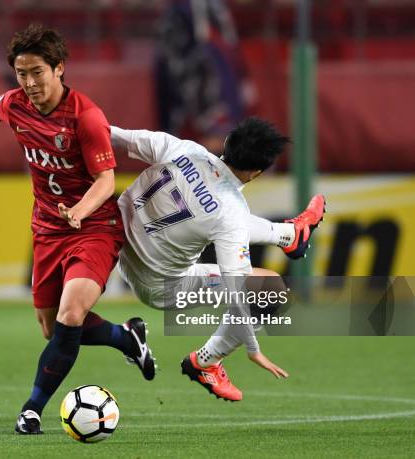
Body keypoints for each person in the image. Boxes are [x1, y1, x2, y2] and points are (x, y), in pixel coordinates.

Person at [0, 24, 155, 435]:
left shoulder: (86, 117)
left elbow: (104, 180)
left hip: (94, 226)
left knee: (70, 313)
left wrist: (79, 212)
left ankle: (32, 409)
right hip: (47, 228)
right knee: (52, 328)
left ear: (59, 68)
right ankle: (126, 338)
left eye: (37, 72)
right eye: (21, 74)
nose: (29, 83)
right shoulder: (16, 104)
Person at [107, 117, 325, 401]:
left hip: (118, 246)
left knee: (221, 215)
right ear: (257, 172)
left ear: (226, 143)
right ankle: (206, 361)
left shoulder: (184, 149)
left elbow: (115, 135)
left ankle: (289, 235)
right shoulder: (231, 212)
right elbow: (238, 289)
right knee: (271, 290)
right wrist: (252, 347)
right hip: (161, 286)